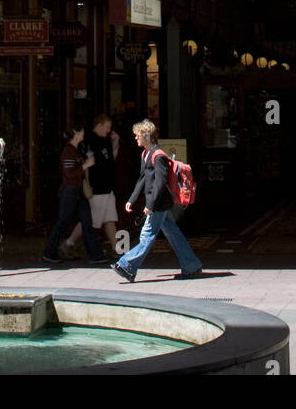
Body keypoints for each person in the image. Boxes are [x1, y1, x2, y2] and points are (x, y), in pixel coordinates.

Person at [112, 120, 202, 283]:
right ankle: (192, 265)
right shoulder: (146, 154)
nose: (135, 138)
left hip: (158, 204)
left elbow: (161, 184)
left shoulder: (159, 156)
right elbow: (142, 179)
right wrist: (132, 199)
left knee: (147, 235)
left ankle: (127, 266)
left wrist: (150, 205)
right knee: (174, 235)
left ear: (147, 136)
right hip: (158, 203)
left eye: (138, 135)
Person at [42, 126, 107, 266]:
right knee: (63, 222)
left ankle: (96, 255)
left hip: (77, 191)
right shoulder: (68, 152)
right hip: (70, 192)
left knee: (87, 222)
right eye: (82, 131)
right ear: (76, 134)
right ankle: (49, 251)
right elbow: (69, 174)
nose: (84, 133)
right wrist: (85, 165)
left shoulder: (76, 150)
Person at [60, 114, 119, 259]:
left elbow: (111, 159)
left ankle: (116, 249)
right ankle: (69, 243)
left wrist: (116, 142)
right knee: (91, 220)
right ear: (99, 125)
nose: (109, 130)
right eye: (107, 127)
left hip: (107, 187)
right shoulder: (89, 141)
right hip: (97, 187)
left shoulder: (105, 140)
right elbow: (86, 165)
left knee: (109, 219)